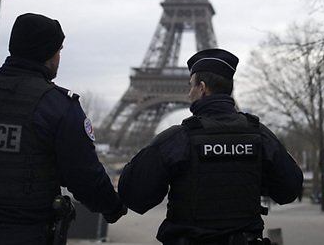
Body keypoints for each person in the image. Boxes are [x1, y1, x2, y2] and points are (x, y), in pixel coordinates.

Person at [0, 13, 127, 245]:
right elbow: (84, 176)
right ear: (50, 53)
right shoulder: (59, 107)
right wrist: (113, 207)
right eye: (58, 50)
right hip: (22, 234)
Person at [118, 48, 303, 245]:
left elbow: (134, 196)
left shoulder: (177, 140)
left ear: (202, 87)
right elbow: (289, 190)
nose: (189, 93)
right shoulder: (260, 136)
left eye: (191, 86)